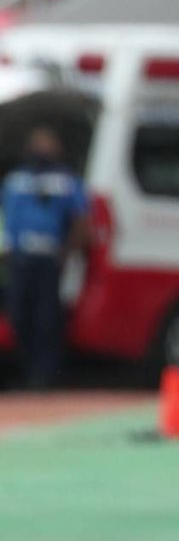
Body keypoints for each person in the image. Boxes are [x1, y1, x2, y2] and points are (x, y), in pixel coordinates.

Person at [1, 126, 89, 390]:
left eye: (47, 143)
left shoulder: (66, 182)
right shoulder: (15, 180)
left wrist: (68, 251)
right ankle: (28, 372)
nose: (43, 149)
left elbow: (81, 221)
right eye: (39, 143)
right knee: (19, 315)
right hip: (20, 258)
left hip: (49, 259)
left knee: (47, 319)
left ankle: (45, 377)